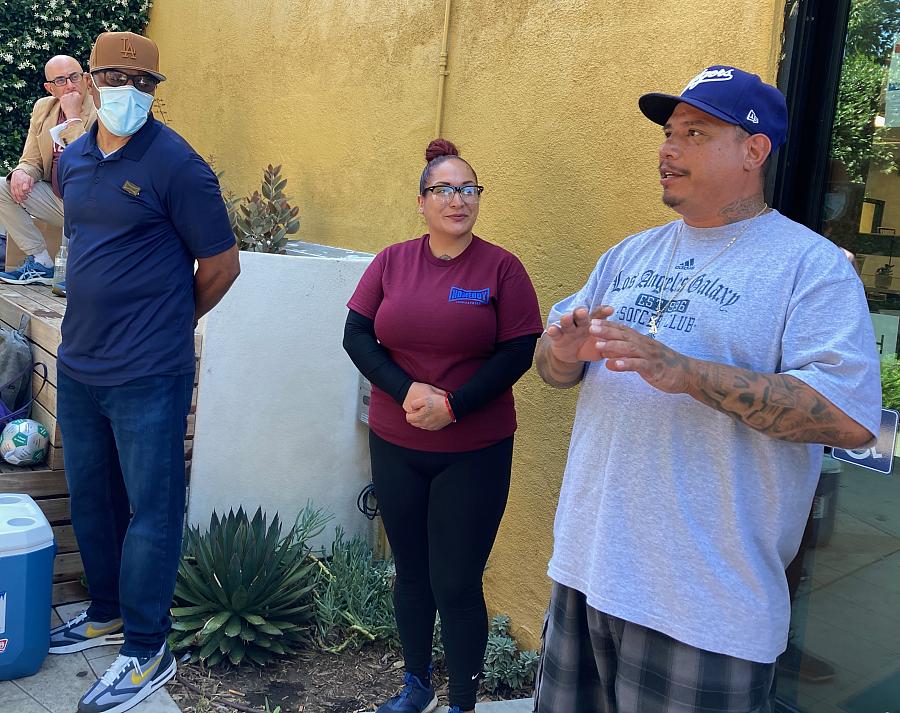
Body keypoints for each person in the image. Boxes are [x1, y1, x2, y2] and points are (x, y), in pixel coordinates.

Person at [532, 65, 881, 713]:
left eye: (694, 133)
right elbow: (549, 368)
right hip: (586, 574)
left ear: (754, 150)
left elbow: (848, 417)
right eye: (668, 133)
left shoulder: (810, 268)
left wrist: (687, 373)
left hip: (705, 611)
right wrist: (561, 350)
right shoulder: (627, 256)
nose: (668, 149)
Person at [48, 32, 240, 713]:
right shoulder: (72, 162)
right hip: (79, 363)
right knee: (92, 497)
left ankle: (147, 644)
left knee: (152, 510)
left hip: (149, 372)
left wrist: (167, 318)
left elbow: (222, 266)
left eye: (143, 81)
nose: (128, 89)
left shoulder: (179, 166)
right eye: (114, 76)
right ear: (92, 81)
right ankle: (104, 612)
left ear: (155, 89)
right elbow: (80, 243)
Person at [343, 139, 543, 713]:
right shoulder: (392, 261)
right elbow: (357, 335)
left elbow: (518, 351)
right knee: (411, 575)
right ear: (421, 201)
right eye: (444, 189)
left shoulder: (501, 268)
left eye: (468, 189)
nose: (457, 200)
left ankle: (461, 703)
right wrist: (409, 391)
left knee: (455, 582)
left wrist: (453, 405)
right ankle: (415, 685)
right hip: (397, 442)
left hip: (473, 449)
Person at [0, 55, 96, 284]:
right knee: (2, 187)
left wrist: (73, 117)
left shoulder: (100, 109)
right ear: (50, 88)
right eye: (61, 80)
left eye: (75, 77)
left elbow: (89, 163)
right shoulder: (44, 107)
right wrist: (23, 172)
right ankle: (41, 262)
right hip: (57, 198)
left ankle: (79, 275)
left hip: (92, 203)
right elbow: (31, 157)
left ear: (86, 78)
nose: (71, 85)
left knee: (74, 281)